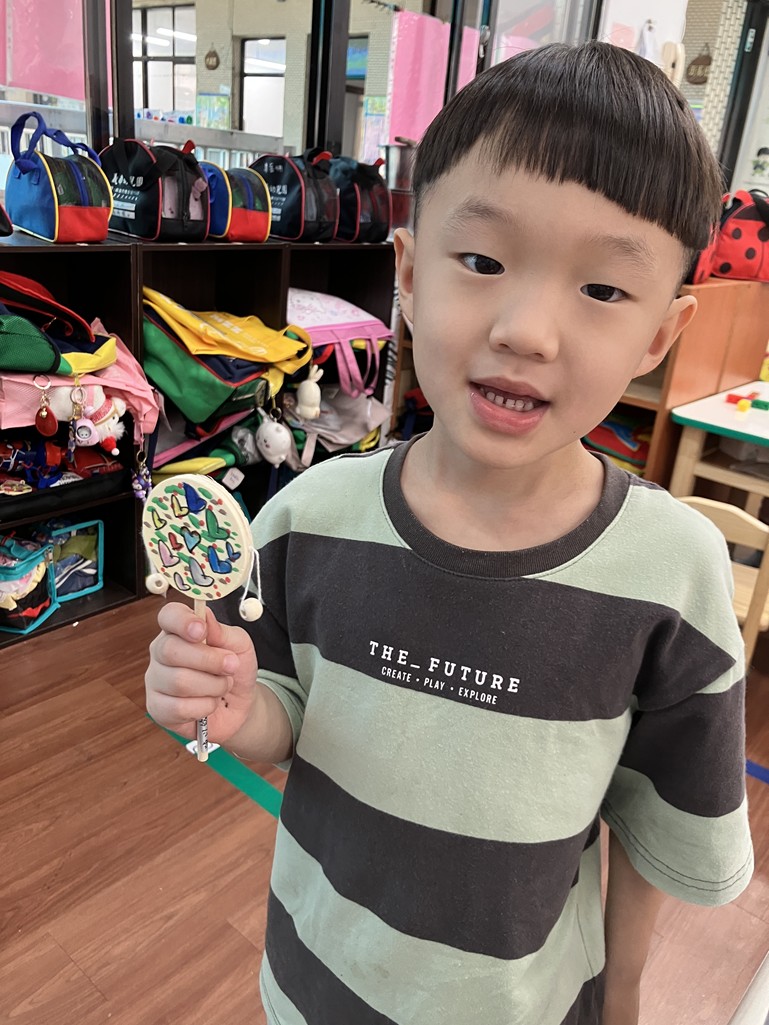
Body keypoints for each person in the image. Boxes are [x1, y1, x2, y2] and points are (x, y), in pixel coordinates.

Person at [145, 41, 753, 1025]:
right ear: (409, 276)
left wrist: (624, 995)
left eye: (602, 288)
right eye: (480, 260)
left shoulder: (671, 574)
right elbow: (281, 716)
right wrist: (223, 704)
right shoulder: (308, 515)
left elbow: (657, 834)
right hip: (311, 986)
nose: (526, 330)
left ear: (658, 333)